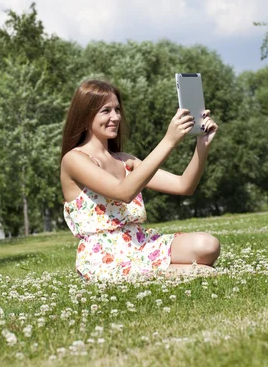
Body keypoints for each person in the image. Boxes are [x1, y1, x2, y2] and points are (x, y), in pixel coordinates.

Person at [60, 79, 220, 281]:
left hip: (141, 243)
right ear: (85, 115)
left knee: (208, 245)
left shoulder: (124, 160)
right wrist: (169, 140)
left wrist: (202, 145)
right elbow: (123, 192)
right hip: (105, 256)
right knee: (205, 273)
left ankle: (162, 269)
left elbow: (184, 186)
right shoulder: (74, 159)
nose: (115, 117)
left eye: (117, 110)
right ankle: (163, 271)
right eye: (106, 111)